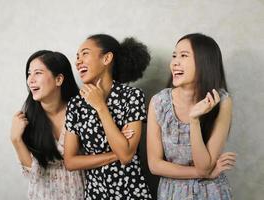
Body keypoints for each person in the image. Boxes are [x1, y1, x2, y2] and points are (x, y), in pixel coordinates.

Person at [147, 33, 236, 200]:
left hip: (211, 192)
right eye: (174, 56)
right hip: (171, 193)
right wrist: (204, 173)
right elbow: (155, 165)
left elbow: (204, 165)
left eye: (183, 55)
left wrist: (194, 120)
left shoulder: (223, 101)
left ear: (204, 62)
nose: (175, 62)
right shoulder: (158, 102)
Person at [64, 34, 153, 199]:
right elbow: (70, 162)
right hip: (95, 194)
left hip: (131, 193)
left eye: (84, 53)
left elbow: (126, 157)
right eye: (77, 57)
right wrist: (115, 153)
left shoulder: (132, 96)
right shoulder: (75, 104)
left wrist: (100, 106)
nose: (77, 61)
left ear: (107, 58)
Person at [10, 50, 84, 200]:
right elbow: (33, 174)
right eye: (29, 74)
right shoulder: (26, 117)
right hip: (42, 194)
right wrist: (16, 140)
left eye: (37, 73)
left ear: (59, 79)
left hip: (79, 192)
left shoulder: (80, 111)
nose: (30, 80)